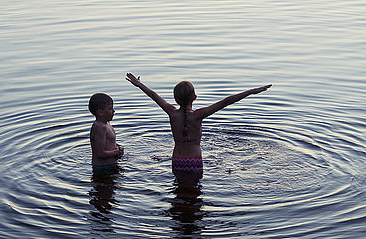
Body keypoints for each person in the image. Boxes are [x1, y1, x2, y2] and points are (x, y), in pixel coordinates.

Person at [126, 73, 271, 174]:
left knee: (178, 191)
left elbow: (154, 96)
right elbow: (227, 101)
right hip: (194, 161)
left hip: (177, 161)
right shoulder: (198, 115)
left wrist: (139, 84)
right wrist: (251, 91)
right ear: (194, 97)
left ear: (175, 99)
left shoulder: (171, 112)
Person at [89, 93, 124, 175]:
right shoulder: (100, 127)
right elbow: (100, 153)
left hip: (111, 165)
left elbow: (108, 143)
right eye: (110, 109)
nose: (114, 111)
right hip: (102, 169)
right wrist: (117, 152)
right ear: (100, 112)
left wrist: (118, 146)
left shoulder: (107, 124)